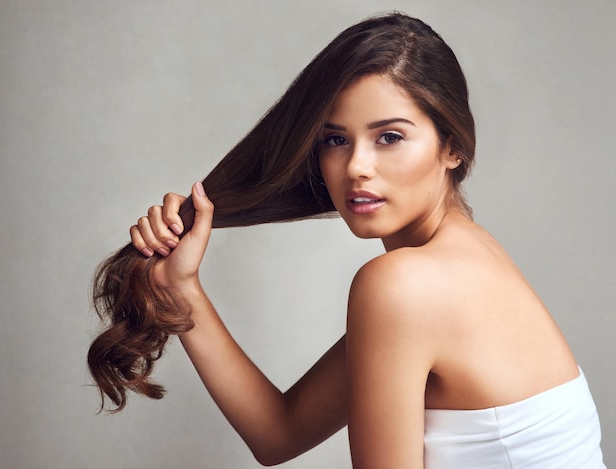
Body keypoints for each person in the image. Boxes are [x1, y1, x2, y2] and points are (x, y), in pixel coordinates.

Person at [87, 12, 605, 468]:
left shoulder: (403, 284)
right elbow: (279, 435)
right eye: (335, 140)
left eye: (390, 137)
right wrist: (182, 289)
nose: (356, 167)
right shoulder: (466, 258)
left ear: (452, 147)